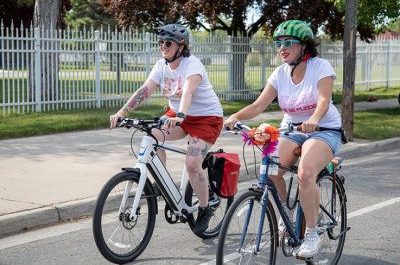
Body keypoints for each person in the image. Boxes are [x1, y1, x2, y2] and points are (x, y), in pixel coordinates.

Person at [224, 20, 343, 258]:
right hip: (291, 130)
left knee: (305, 173)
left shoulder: (320, 67)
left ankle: (311, 233)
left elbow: (323, 101)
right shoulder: (280, 73)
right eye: (279, 43)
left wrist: (314, 119)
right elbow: (259, 105)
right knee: (269, 169)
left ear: (304, 47)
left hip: (324, 129)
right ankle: (285, 216)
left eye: (288, 43)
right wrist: (235, 116)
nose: (282, 48)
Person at [110, 23, 224, 234]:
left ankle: (206, 207)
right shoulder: (161, 65)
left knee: (192, 163)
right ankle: (162, 183)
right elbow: (145, 90)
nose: (163, 46)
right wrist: (121, 114)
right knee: (151, 135)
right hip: (178, 115)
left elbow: (188, 92)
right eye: (160, 42)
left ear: (181, 46)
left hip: (206, 118)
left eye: (168, 42)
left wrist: (181, 115)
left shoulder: (192, 65)